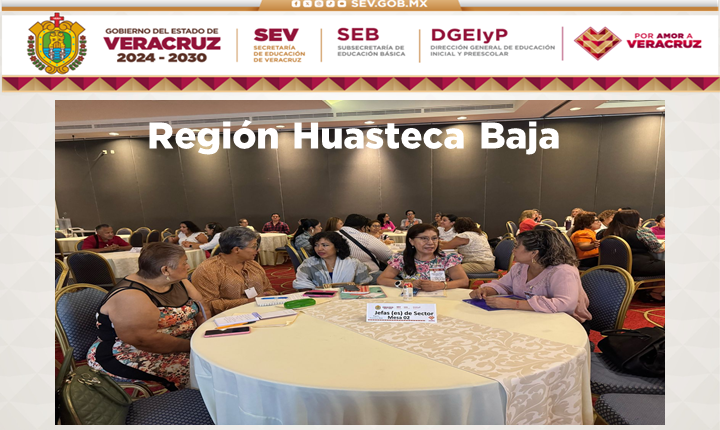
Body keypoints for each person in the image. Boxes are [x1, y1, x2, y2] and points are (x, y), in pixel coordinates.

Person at [86, 242, 206, 390]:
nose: (188, 266)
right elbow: (145, 340)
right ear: (165, 270)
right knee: (205, 369)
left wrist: (205, 336)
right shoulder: (131, 297)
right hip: (131, 353)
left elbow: (201, 308)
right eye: (184, 263)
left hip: (183, 344)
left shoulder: (179, 282)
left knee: (217, 356)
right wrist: (194, 347)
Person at [470, 229, 592, 326]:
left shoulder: (563, 271)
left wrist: (514, 304)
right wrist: (486, 290)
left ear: (534, 253)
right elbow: (504, 285)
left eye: (516, 246)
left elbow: (565, 304)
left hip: (565, 324)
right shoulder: (521, 266)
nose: (513, 250)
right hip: (530, 319)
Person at [191, 227, 279, 316]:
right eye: (254, 246)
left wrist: (268, 295)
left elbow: (269, 289)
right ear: (236, 250)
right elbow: (208, 304)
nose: (258, 249)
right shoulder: (208, 269)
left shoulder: (253, 265)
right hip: (227, 318)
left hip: (262, 313)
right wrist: (248, 301)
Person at [377, 224, 469, 291]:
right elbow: (382, 279)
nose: (430, 243)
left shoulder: (447, 258)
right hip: (411, 301)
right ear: (411, 241)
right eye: (424, 238)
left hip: (441, 299)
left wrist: (440, 286)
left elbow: (464, 281)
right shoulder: (401, 258)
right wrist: (406, 284)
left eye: (434, 238)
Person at [605, 210, 665, 301]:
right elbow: (658, 249)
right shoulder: (640, 232)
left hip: (613, 266)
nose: (641, 219)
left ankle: (645, 291)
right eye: (638, 217)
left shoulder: (605, 233)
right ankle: (655, 292)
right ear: (632, 220)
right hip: (637, 266)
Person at [293, 232, 372, 290]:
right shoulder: (309, 264)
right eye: (316, 245)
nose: (319, 248)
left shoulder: (353, 263)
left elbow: (364, 283)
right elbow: (302, 284)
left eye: (325, 245)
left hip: (348, 299)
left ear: (337, 247)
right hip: (319, 300)